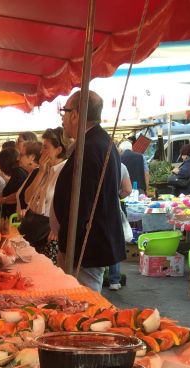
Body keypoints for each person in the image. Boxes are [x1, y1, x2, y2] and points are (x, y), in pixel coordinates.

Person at [52, 89, 126, 292]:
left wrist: (68, 248)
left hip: (86, 247)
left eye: (64, 112)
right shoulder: (98, 141)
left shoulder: (91, 146)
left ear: (75, 114)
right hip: (90, 244)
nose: (63, 119)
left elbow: (82, 203)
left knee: (83, 303)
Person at [22, 127, 67, 263]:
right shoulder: (44, 169)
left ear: (59, 150)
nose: (41, 152)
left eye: (46, 148)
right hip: (34, 227)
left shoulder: (64, 171)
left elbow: (67, 203)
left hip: (49, 234)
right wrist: (41, 172)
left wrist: (59, 226)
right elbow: (27, 197)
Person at [107, 162, 133, 290]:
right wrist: (116, 196)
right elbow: (128, 189)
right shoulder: (121, 166)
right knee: (114, 241)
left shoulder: (90, 161)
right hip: (113, 208)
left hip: (92, 208)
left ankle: (95, 277)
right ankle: (114, 280)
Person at [0, 146, 27, 221]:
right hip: (10, 215)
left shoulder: (18, 172)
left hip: (14, 217)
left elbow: (19, 194)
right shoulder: (17, 172)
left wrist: (3, 200)